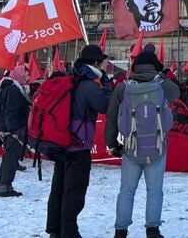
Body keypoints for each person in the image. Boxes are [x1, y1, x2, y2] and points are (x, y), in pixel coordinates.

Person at [107, 51, 180, 238]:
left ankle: (121, 231)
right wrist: (161, 75)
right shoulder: (162, 84)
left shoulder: (123, 87)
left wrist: (111, 143)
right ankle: (152, 229)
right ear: (155, 65)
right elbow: (177, 92)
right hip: (157, 145)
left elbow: (112, 116)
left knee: (127, 190)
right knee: (155, 190)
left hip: (131, 147)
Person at [47, 45, 112, 238]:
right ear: (95, 63)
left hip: (62, 141)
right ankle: (69, 232)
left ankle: (55, 229)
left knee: (58, 189)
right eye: (101, 62)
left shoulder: (72, 79)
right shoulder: (88, 84)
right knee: (74, 192)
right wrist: (106, 82)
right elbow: (105, 105)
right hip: (78, 144)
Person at [0, 65, 32, 197]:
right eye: (26, 75)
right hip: (14, 129)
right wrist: (14, 129)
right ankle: (6, 186)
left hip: (7, 128)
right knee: (11, 158)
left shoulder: (8, 88)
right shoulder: (15, 90)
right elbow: (11, 111)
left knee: (7, 157)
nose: (28, 77)